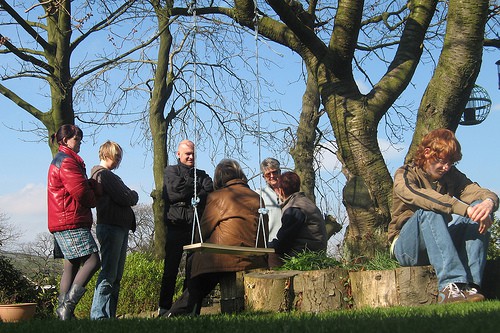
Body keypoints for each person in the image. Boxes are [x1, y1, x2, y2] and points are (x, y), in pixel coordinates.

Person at [389, 128, 498, 303]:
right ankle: (449, 286)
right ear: (427, 153)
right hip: (407, 248)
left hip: (439, 242)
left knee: (478, 208)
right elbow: (423, 198)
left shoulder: (451, 175)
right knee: (430, 210)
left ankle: (469, 285)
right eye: (441, 161)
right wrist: (463, 208)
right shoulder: (404, 174)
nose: (446, 167)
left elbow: (478, 192)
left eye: (450, 163)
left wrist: (487, 204)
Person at [166, 159, 269, 316]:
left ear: (219, 178)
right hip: (254, 258)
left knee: (195, 264)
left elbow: (203, 230)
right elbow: (264, 232)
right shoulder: (257, 198)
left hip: (222, 259)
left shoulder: (218, 197)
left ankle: (185, 311)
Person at [47, 124, 101, 320]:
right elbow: (79, 191)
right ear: (65, 140)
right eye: (76, 139)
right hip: (70, 220)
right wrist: (94, 196)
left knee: (71, 264)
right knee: (93, 260)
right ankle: (67, 308)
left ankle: (63, 313)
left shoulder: (61, 160)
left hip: (61, 220)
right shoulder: (67, 162)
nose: (79, 143)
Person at [158, 140, 214, 316]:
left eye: (193, 154)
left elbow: (209, 191)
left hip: (195, 226)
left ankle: (187, 307)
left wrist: (189, 188)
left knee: (193, 269)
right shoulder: (170, 171)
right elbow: (175, 192)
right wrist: (195, 187)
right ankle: (164, 307)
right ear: (178, 154)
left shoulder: (202, 174)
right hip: (176, 225)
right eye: (187, 153)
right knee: (170, 269)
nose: (190, 156)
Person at [90, 141, 139, 319]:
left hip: (117, 227)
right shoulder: (104, 175)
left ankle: (108, 315)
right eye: (116, 156)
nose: (118, 160)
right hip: (112, 227)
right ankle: (99, 316)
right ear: (106, 154)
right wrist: (133, 194)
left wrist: (129, 194)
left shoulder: (105, 175)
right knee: (109, 274)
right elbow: (125, 197)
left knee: (115, 275)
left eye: (119, 157)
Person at [269, 171, 327, 266]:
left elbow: (283, 242)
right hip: (316, 253)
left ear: (281, 191)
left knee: (270, 256)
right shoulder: (306, 202)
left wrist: (267, 246)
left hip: (304, 256)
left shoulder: (294, 208)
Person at [256, 158, 282, 242]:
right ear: (263, 177)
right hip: (269, 243)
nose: (272, 176)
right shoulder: (260, 194)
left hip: (290, 244)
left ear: (280, 172)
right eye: (268, 174)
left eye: (274, 172)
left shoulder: (289, 192)